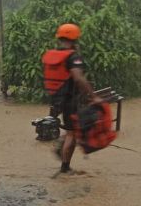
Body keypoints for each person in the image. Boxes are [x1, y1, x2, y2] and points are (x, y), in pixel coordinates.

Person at [41, 23, 100, 174]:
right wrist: (93, 97)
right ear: (75, 39)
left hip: (56, 98)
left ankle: (61, 148)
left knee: (70, 130)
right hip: (70, 100)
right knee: (72, 133)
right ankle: (65, 168)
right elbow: (79, 79)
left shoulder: (54, 55)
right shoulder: (73, 56)